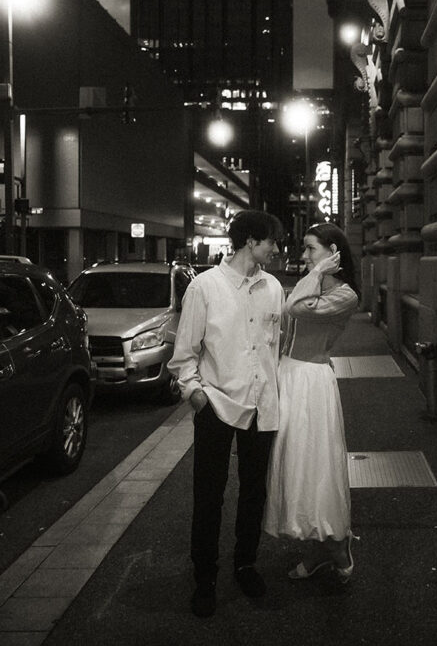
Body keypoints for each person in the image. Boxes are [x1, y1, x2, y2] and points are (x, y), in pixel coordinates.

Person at [168, 209, 285, 618]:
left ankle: (245, 564)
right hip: (216, 404)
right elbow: (185, 352)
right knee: (209, 495)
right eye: (271, 241)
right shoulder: (205, 287)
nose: (276, 248)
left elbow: (274, 347)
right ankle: (205, 577)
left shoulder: (273, 288)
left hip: (261, 404)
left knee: (254, 491)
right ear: (250, 241)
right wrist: (195, 394)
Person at [263, 222, 359, 582]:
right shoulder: (313, 283)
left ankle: (336, 542)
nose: (304, 256)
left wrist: (317, 272)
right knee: (295, 465)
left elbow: (295, 307)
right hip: (289, 377)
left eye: (310, 249)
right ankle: (316, 545)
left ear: (333, 252)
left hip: (311, 382)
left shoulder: (345, 295)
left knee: (316, 466)